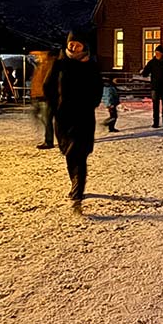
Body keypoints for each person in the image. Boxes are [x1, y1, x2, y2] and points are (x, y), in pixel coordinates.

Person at [44, 30, 102, 210]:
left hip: (83, 116)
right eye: (71, 44)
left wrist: (91, 103)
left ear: (84, 46)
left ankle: (78, 189)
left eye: (78, 44)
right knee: (69, 152)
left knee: (80, 151)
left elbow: (97, 88)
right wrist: (55, 105)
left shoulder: (91, 66)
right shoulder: (59, 64)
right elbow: (48, 86)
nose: (74, 47)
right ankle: (74, 182)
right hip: (63, 116)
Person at [142, 45, 163, 128]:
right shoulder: (152, 62)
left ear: (162, 53)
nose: (157, 54)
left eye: (159, 53)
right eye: (156, 53)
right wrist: (145, 72)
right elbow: (145, 72)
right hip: (155, 86)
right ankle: (156, 122)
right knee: (155, 105)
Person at [30, 49, 58, 149]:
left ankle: (49, 141)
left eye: (38, 55)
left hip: (45, 97)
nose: (36, 57)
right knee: (44, 118)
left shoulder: (49, 65)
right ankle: (49, 139)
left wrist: (45, 94)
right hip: (39, 96)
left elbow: (46, 81)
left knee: (47, 119)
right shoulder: (41, 65)